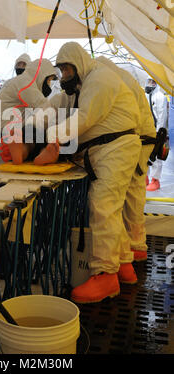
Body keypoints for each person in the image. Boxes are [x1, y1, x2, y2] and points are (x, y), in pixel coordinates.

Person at [45, 42, 142, 303]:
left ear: (79, 63)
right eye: (61, 70)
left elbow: (84, 118)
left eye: (67, 69)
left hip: (115, 149)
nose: (64, 75)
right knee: (111, 209)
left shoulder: (99, 79)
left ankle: (105, 276)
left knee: (103, 207)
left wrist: (49, 139)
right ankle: (123, 265)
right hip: (108, 151)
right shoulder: (84, 85)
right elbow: (60, 109)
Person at [97, 57, 156, 265]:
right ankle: (135, 243)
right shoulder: (122, 78)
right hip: (140, 140)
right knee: (133, 191)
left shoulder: (117, 81)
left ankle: (135, 244)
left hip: (138, 141)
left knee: (132, 192)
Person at [0, 59, 57, 165]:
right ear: (42, 75)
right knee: (4, 179)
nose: (49, 85)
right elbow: (46, 108)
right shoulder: (25, 82)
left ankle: (23, 151)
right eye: (49, 80)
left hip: (1, 139)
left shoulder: (17, 82)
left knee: (4, 178)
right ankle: (23, 151)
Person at [145, 78, 168, 191]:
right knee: (145, 154)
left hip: (156, 131)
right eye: (148, 81)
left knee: (155, 155)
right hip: (146, 130)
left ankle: (155, 180)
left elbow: (162, 115)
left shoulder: (160, 97)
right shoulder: (145, 95)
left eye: (153, 82)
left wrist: (160, 133)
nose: (150, 84)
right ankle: (145, 177)